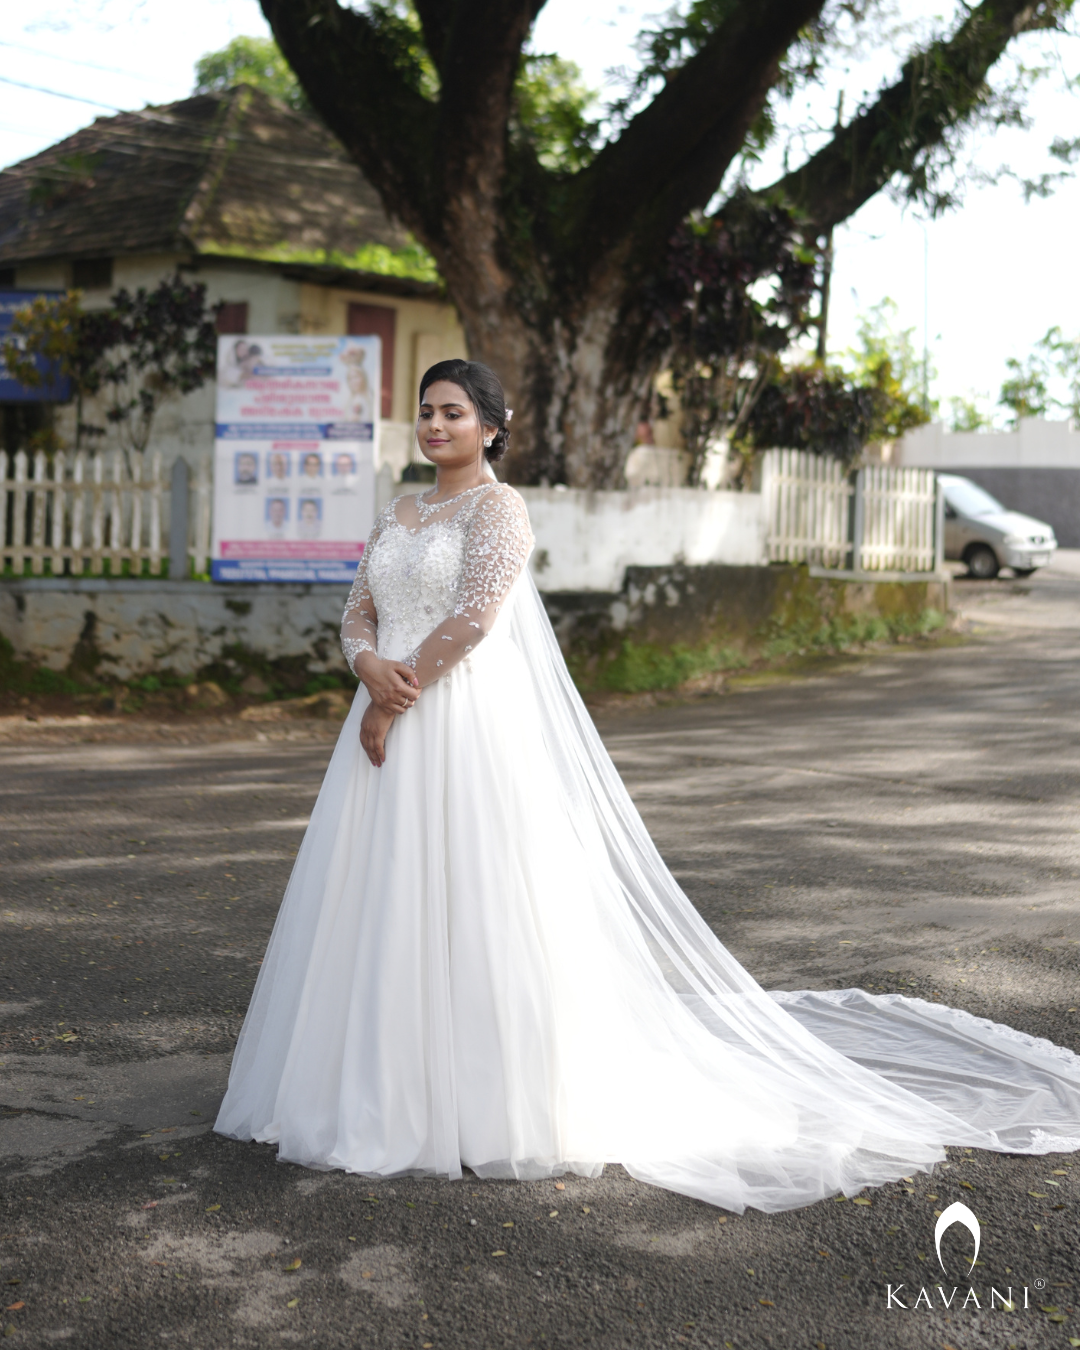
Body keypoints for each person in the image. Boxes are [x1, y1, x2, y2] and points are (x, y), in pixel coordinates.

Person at [215, 359, 1080, 1213]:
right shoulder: (396, 513)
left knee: (478, 895)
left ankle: (486, 1095)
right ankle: (369, 1080)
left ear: (490, 425)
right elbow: (357, 606)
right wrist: (367, 667)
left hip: (460, 724)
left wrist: (396, 696)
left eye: (453, 412)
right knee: (377, 897)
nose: (436, 425)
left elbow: (476, 617)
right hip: (385, 717)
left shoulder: (500, 509)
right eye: (426, 411)